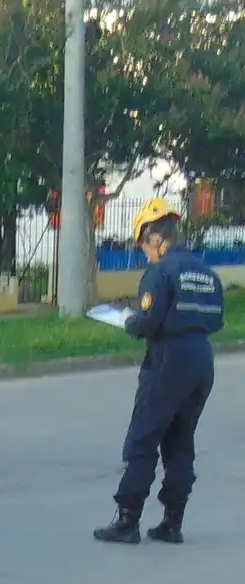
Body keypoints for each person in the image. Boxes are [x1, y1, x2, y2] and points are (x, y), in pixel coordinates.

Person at [93, 197, 225, 545]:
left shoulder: (161, 272)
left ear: (155, 238)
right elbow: (217, 320)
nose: (145, 254)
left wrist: (127, 319)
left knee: (143, 437)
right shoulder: (206, 273)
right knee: (180, 440)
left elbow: (148, 323)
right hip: (202, 360)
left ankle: (127, 521)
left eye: (144, 246)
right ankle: (172, 522)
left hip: (169, 359)